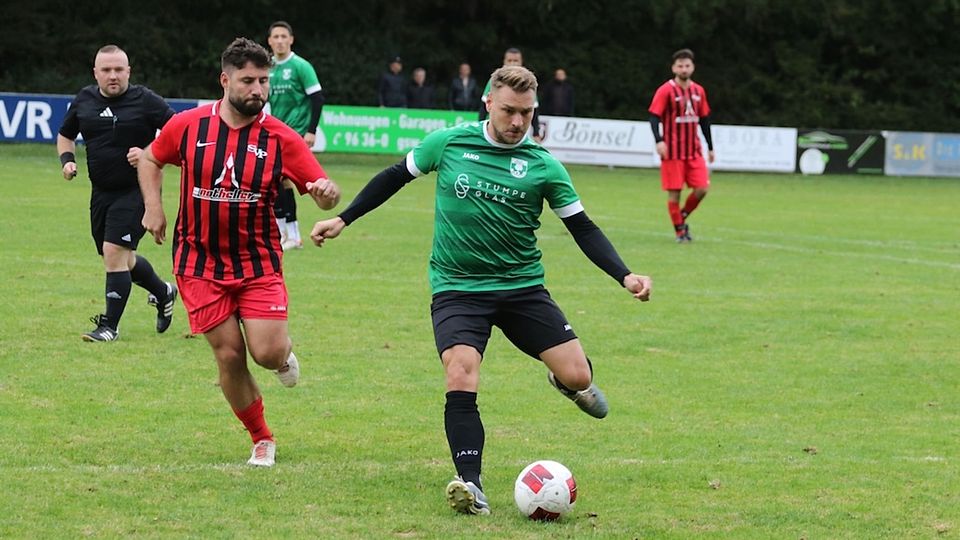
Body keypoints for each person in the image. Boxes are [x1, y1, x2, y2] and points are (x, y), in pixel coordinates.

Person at [310, 66, 652, 515]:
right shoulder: (449, 143)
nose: (517, 122)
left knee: (578, 376)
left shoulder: (543, 165)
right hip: (458, 288)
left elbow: (582, 228)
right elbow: (395, 176)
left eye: (526, 113)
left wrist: (625, 275)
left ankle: (566, 381)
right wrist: (344, 218)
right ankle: (471, 485)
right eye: (509, 111)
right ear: (488, 102)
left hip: (522, 288)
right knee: (460, 371)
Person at [138, 37, 341, 467]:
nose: (258, 90)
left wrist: (327, 195)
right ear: (225, 80)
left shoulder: (281, 138)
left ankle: (282, 354)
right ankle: (262, 437)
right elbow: (151, 159)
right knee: (229, 354)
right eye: (248, 81)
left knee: (266, 354)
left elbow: (322, 194)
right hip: (198, 261)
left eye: (263, 81)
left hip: (257, 262)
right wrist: (153, 208)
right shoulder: (188, 125)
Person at [57, 44, 179, 342]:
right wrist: (67, 161)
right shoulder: (84, 99)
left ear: (128, 72)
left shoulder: (145, 100)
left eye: (118, 70)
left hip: (137, 189)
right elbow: (65, 134)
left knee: (114, 253)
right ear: (95, 73)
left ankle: (109, 326)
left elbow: (178, 132)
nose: (113, 75)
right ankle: (163, 291)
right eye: (107, 70)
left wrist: (150, 152)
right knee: (122, 258)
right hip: (101, 193)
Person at [267, 20, 325, 251]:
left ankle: (291, 234)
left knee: (281, 178)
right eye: (276, 37)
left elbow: (317, 98)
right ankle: (286, 233)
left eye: (284, 36)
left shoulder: (301, 66)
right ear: (269, 41)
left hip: (296, 133)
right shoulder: (268, 67)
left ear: (291, 40)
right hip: (276, 133)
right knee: (278, 180)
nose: (280, 41)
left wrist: (311, 131)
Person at [648, 48, 714, 242]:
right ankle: (680, 232)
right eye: (680, 66)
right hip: (672, 152)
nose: (684, 69)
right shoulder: (665, 90)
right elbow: (654, 117)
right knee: (674, 193)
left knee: (702, 188)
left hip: (694, 151)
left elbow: (704, 120)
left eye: (687, 65)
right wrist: (659, 140)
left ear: (692, 67)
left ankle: (681, 217)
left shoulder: (699, 91)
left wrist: (710, 147)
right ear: (674, 68)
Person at [478, 48, 541, 142]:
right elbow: (483, 106)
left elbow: (534, 109)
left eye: (516, 61)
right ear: (504, 61)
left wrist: (536, 133)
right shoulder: (495, 81)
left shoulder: (528, 83)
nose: (513, 64)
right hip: (493, 132)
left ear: (521, 62)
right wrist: (481, 130)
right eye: (509, 60)